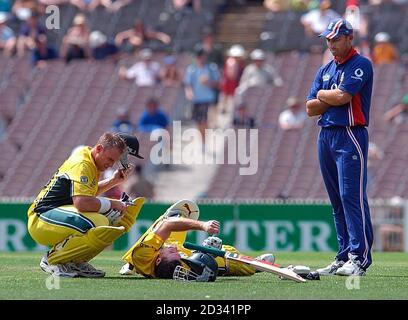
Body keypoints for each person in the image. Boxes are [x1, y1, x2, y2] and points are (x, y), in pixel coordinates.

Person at [306, 18, 374, 276]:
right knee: (336, 200)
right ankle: (344, 254)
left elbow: (342, 96)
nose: (331, 44)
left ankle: (359, 257)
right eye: (328, 40)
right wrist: (327, 97)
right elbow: (309, 108)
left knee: (351, 196)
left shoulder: (361, 64)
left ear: (349, 38)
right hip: (326, 134)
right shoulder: (325, 69)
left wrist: (323, 95)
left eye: (336, 39)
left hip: (350, 133)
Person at [27, 132, 145, 278]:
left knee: (111, 223)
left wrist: (113, 182)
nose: (110, 165)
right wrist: (112, 203)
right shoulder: (83, 163)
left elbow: (87, 194)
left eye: (114, 161)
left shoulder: (90, 160)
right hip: (41, 217)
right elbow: (82, 203)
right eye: (110, 159)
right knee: (100, 222)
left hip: (53, 214)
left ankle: (75, 261)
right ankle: (52, 260)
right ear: (99, 149)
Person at [119, 200, 274, 280]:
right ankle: (255, 265)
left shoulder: (143, 254)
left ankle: (129, 264)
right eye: (177, 254)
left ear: (158, 260)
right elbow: (201, 268)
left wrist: (202, 226)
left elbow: (166, 226)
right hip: (161, 256)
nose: (174, 249)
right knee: (224, 260)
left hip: (144, 254)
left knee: (169, 220)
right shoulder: (177, 265)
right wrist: (206, 254)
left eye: (172, 251)